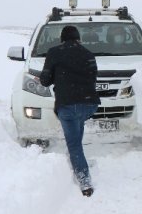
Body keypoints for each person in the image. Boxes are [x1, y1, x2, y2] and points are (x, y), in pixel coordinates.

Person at [40, 25, 101, 197]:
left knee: (73, 145)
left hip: (67, 105)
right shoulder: (88, 54)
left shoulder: (54, 52)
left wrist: (50, 76)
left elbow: (45, 81)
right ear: (78, 39)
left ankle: (85, 182)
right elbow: (93, 77)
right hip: (89, 105)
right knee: (77, 130)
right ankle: (78, 162)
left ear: (62, 39)